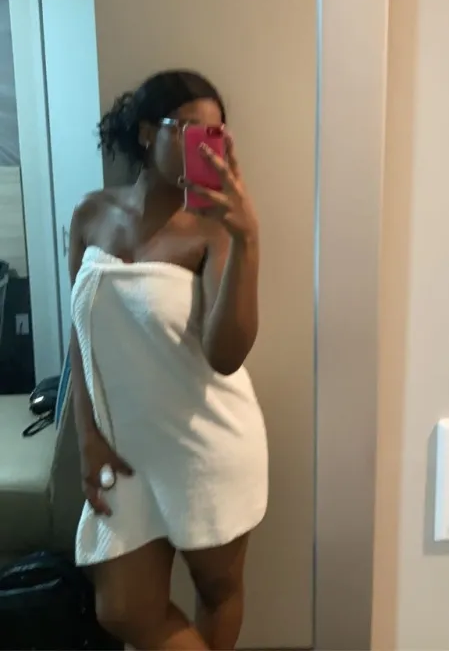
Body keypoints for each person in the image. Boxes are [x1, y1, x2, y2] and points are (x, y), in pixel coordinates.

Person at [69, 69, 268, 651]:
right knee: (123, 609)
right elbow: (80, 335)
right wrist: (86, 437)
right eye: (186, 129)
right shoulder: (89, 216)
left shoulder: (214, 231)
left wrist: (248, 241)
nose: (202, 146)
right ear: (143, 133)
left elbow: (226, 355)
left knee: (217, 592)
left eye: (214, 135)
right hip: (126, 456)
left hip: (207, 446)